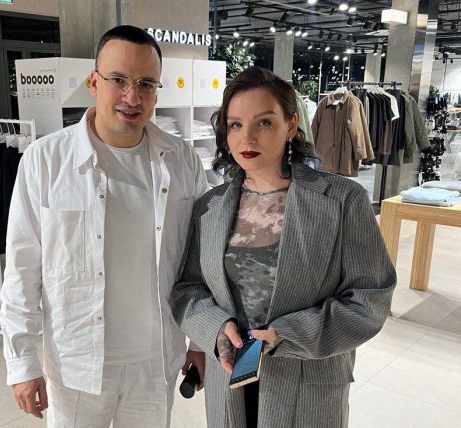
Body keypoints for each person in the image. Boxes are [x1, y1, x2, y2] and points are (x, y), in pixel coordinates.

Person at [0, 25, 208, 427]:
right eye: (119, 80)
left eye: (146, 84)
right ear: (94, 83)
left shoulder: (181, 160)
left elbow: (200, 262)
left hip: (155, 362)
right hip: (75, 364)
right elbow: (23, 268)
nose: (132, 97)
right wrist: (22, 362)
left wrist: (198, 340)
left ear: (157, 91)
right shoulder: (46, 161)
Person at [169, 66, 396, 428]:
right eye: (235, 125)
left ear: (290, 125)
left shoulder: (342, 201)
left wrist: (288, 335)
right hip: (230, 376)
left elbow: (370, 299)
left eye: (264, 122)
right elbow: (188, 289)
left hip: (307, 377)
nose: (247, 138)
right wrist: (215, 328)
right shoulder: (210, 207)